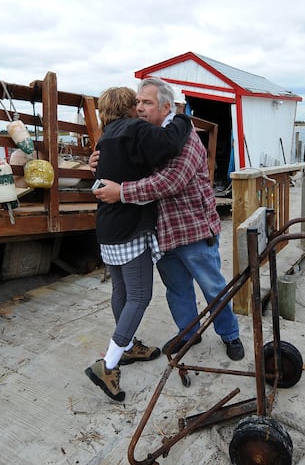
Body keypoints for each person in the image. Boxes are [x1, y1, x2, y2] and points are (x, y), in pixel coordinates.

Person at [92, 77, 244, 361]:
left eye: (147, 103)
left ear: (165, 107)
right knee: (177, 290)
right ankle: (189, 334)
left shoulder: (183, 138)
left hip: (194, 229)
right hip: (162, 233)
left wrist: (121, 191)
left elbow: (169, 181)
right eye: (137, 102)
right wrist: (99, 161)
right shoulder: (146, 137)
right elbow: (125, 161)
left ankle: (230, 335)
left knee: (213, 288)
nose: (139, 108)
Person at [85, 86, 193, 402]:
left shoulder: (105, 138)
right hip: (130, 228)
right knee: (141, 295)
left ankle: (129, 346)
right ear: (131, 107)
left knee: (121, 291)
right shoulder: (135, 129)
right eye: (139, 103)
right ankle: (108, 363)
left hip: (106, 226)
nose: (142, 108)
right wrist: (182, 117)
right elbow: (170, 143)